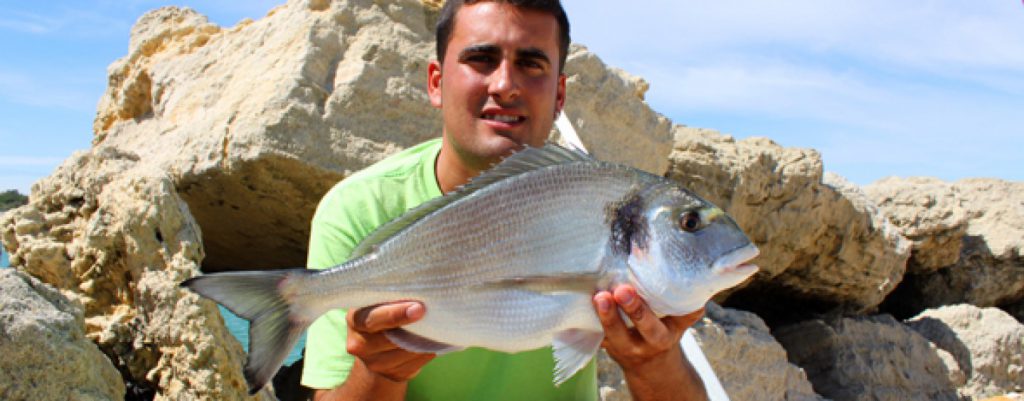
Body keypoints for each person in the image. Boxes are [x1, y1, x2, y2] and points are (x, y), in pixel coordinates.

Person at [300, 1, 709, 400]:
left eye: (531, 64)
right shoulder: (357, 210)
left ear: (560, 94)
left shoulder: (595, 196)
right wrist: (379, 369)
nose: (505, 86)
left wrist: (653, 360)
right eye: (481, 59)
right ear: (436, 83)